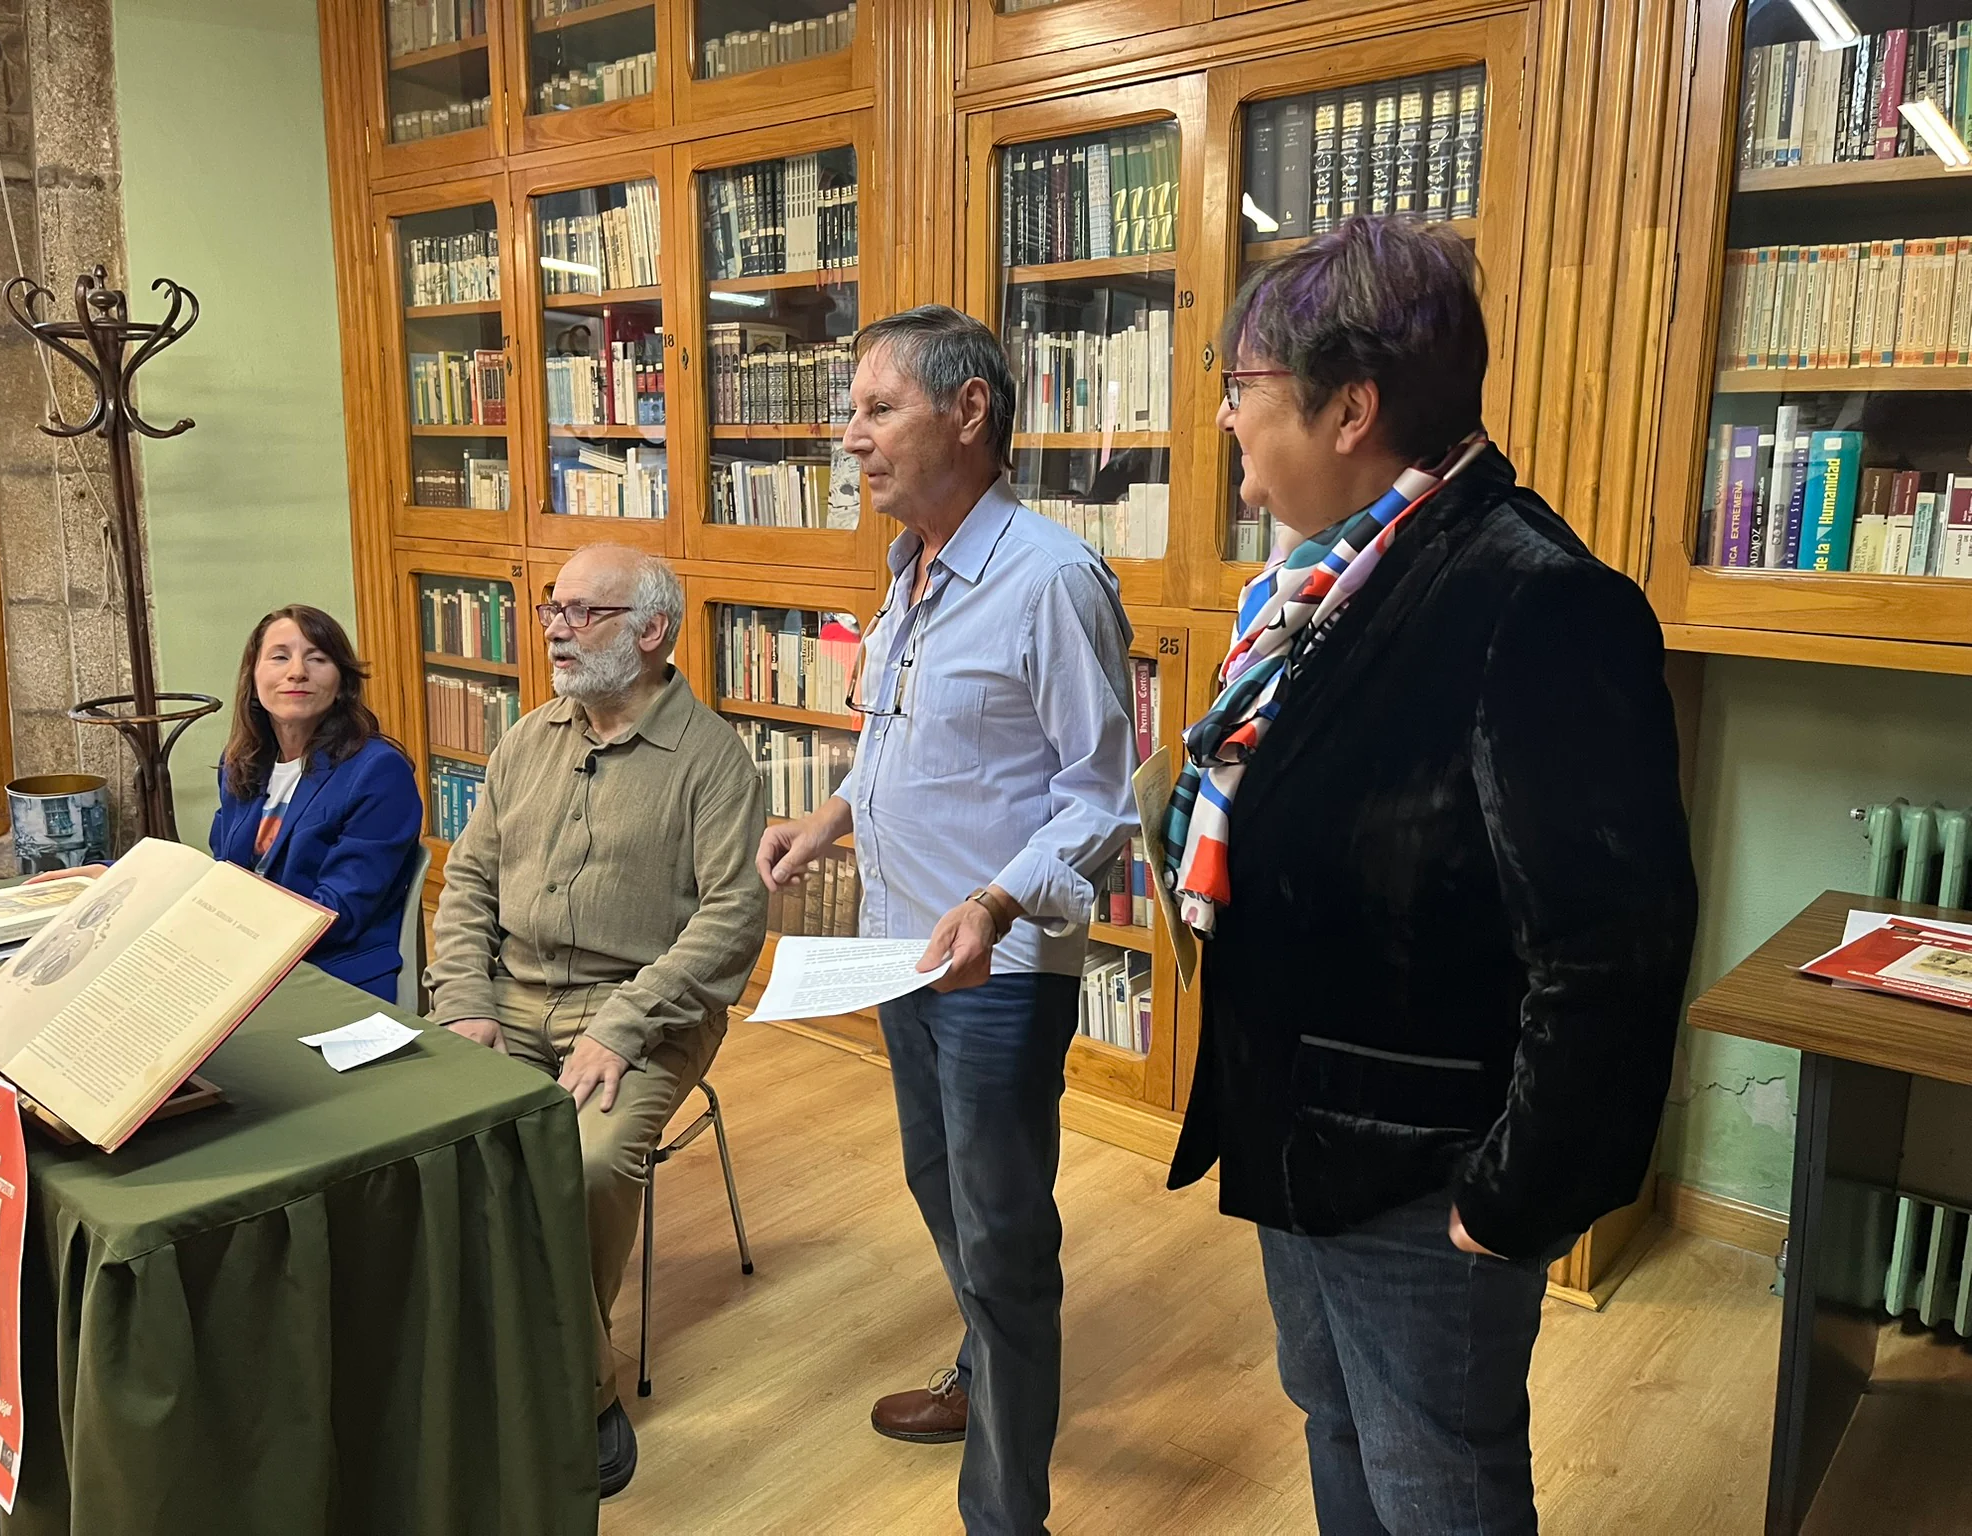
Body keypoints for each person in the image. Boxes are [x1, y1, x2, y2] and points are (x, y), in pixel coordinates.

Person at [1163, 217, 1698, 1535]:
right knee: (1336, 1422)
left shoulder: (1535, 600)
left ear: (1350, 407)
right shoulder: (1322, 584)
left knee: (1436, 1481)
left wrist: (1511, 1200)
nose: (1227, 418)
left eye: (1244, 388)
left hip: (1421, 1173)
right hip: (1301, 1129)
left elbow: (1612, 946)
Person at [759, 306, 1137, 1536]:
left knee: (1004, 1230)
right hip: (899, 945)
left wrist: (991, 899)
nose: (848, 437)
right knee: (940, 1189)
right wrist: (828, 819)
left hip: (997, 963)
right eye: (850, 412)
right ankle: (984, 1372)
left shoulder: (1050, 579)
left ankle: (1004, 1513)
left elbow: (1097, 797)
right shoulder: (908, 567)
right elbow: (907, 741)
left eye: (876, 410)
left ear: (967, 413)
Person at [426, 544, 765, 1502]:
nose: (556, 628)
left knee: (580, 1163)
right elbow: (469, 883)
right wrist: (465, 1003)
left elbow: (732, 921)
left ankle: (580, 1391)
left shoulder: (714, 762)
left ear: (653, 632)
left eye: (584, 611)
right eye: (551, 608)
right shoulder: (526, 738)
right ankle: (480, 1351)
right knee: (429, 1141)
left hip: (645, 1015)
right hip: (509, 998)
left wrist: (622, 1025)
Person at [32, 605, 424, 1001]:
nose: (297, 672)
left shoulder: (378, 772)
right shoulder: (243, 762)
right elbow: (224, 874)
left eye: (317, 658)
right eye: (280, 657)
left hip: (328, 977)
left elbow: (336, 914)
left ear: (342, 683)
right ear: (253, 679)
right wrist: (122, 877)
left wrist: (203, 913)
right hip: (239, 962)